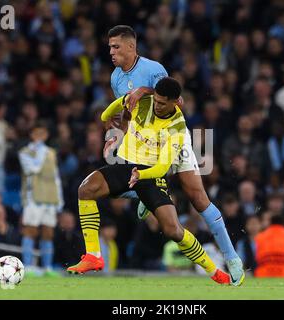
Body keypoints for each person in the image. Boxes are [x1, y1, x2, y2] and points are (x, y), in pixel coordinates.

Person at [104, 25, 244, 285]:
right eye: (110, 47)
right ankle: (147, 192)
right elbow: (129, 112)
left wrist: (143, 90)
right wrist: (117, 136)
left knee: (197, 197)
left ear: (131, 47)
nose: (111, 51)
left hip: (172, 136)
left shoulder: (154, 69)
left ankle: (232, 257)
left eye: (116, 46)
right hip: (144, 140)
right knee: (118, 179)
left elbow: (172, 99)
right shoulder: (116, 78)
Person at [67, 77, 235, 285]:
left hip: (150, 174)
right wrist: (113, 112)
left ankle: (214, 271)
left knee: (173, 230)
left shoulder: (177, 128)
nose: (157, 105)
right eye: (156, 100)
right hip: (125, 165)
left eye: (163, 103)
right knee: (85, 189)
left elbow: (163, 167)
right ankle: (93, 256)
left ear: (176, 102)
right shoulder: (142, 101)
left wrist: (141, 175)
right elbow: (105, 113)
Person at [18, 121, 63, 277]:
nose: (40, 137)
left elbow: (55, 176)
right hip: (33, 197)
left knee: (48, 232)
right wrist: (40, 152)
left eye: (43, 134)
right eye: (37, 133)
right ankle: (27, 266)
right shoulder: (24, 152)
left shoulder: (51, 153)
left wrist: (60, 199)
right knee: (30, 231)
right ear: (32, 134)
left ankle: (47, 268)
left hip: (50, 197)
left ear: (46, 135)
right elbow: (33, 168)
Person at [254, 214, 284, 278]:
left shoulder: (260, 236)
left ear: (270, 223)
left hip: (264, 271)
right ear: (283, 223)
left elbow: (257, 257)